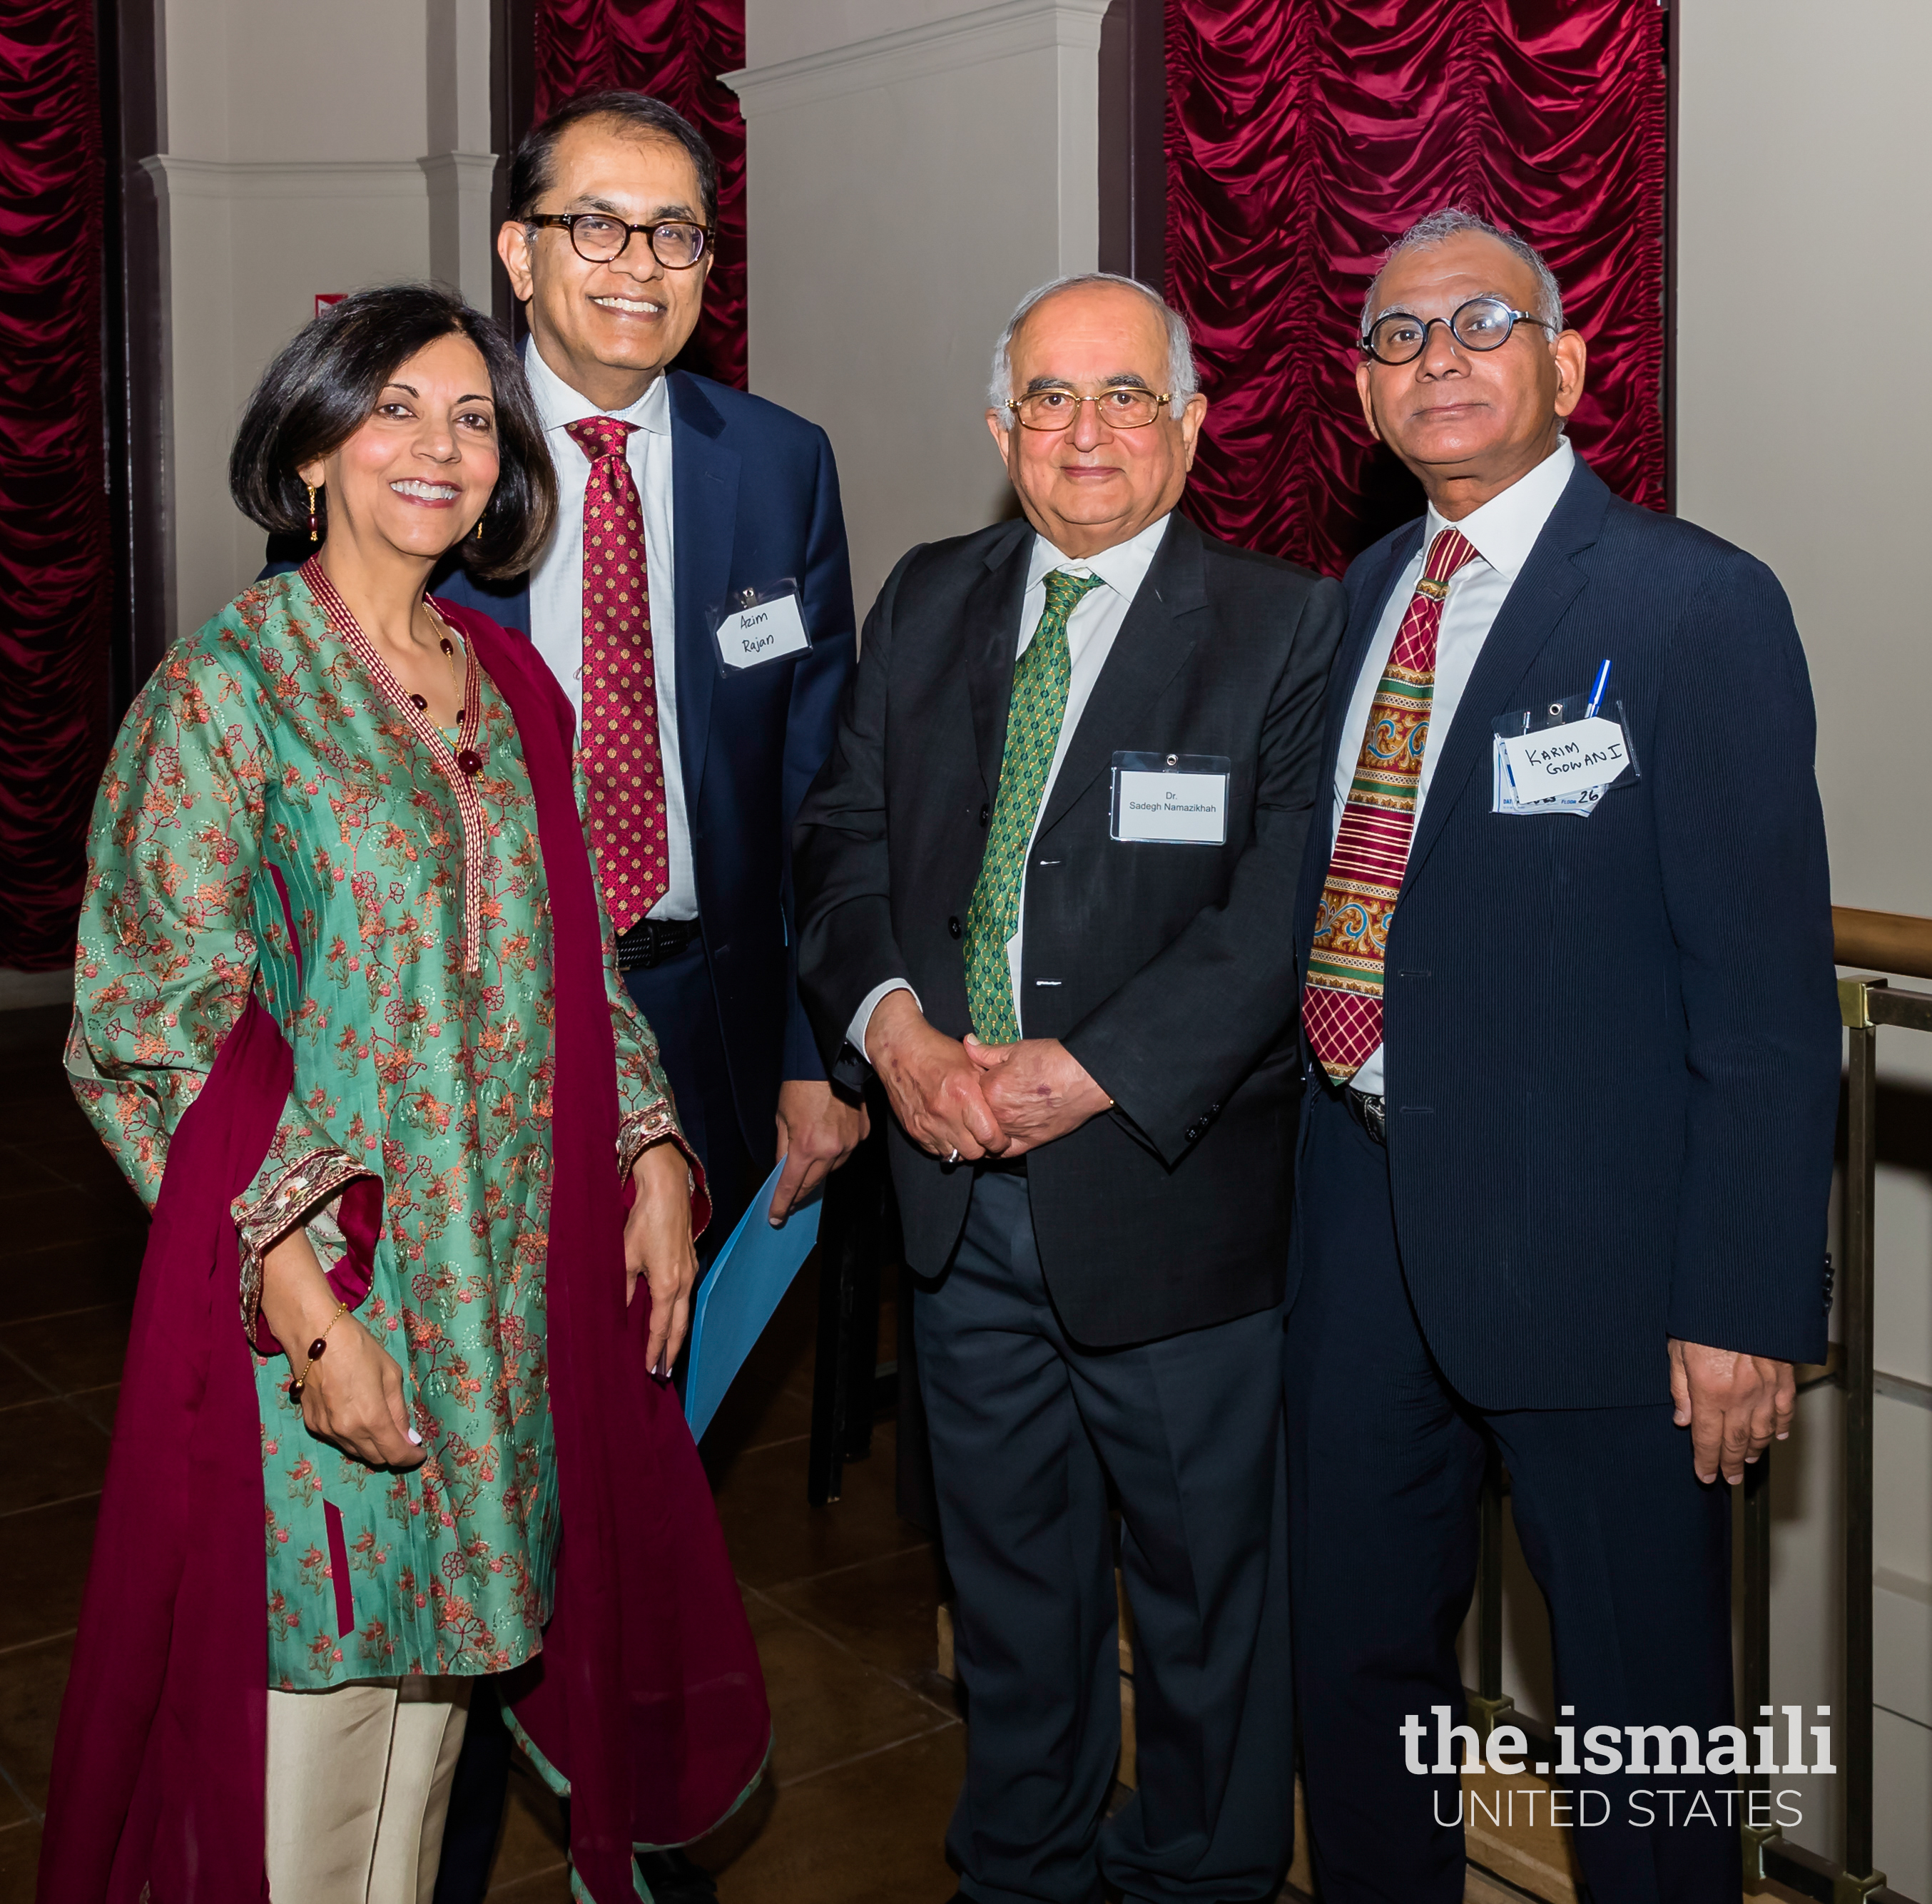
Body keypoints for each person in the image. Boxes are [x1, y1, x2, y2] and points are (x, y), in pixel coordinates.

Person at [39, 285, 768, 1904]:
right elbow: (145, 1028)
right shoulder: (225, 695)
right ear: (310, 449)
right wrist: (311, 1316)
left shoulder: (514, 688)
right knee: (308, 1752)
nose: (439, 446)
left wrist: (650, 1147)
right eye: (394, 411)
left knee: (433, 1740)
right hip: (325, 1299)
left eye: (467, 416)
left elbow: (585, 958)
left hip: (503, 1295)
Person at [1284, 208, 1839, 1903]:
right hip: (1360, 1223)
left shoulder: (1695, 607)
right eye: (1395, 338)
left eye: (1478, 325)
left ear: (1568, 366)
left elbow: (1762, 997)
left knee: (1636, 1715)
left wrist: (1746, 1303)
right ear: (1364, 394)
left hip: (1601, 1258)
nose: (1434, 360)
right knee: (1360, 1677)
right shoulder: (1361, 596)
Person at [794, 273, 1346, 1904]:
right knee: (1014, 1593)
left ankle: (1194, 1880)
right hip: (956, 1205)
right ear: (999, 429)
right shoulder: (925, 598)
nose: (1084, 431)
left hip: (1168, 1211)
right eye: (1049, 398)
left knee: (1200, 1614)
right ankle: (1020, 1872)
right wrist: (891, 1032)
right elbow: (843, 845)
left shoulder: (1279, 621)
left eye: (1125, 398)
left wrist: (1093, 1071)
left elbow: (1285, 909)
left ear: (1189, 429)